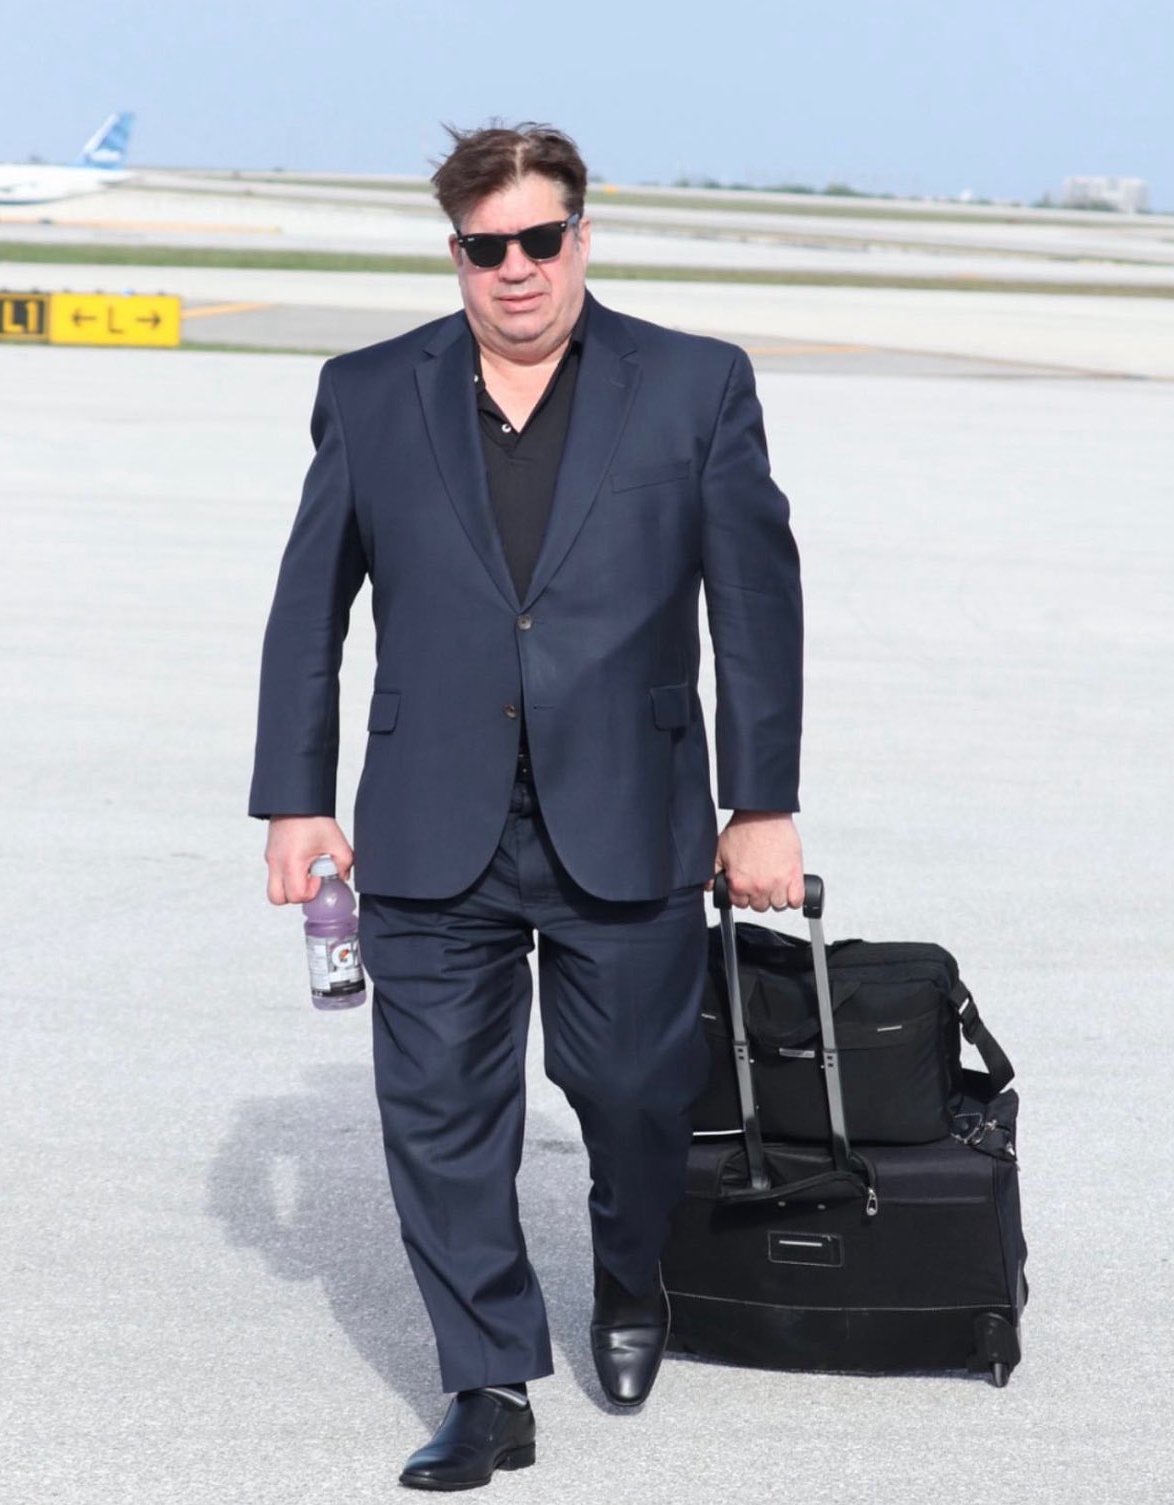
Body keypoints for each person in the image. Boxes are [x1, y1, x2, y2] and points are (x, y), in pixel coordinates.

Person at [249, 122, 804, 1491]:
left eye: (539, 240)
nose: (516, 269)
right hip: (431, 820)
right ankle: (488, 1381)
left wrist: (762, 804)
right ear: (455, 255)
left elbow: (754, 606)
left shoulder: (693, 384)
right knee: (438, 1114)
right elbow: (308, 607)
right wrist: (293, 800)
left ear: (581, 238)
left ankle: (629, 1274)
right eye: (486, 247)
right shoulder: (369, 392)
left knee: (633, 1091)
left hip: (630, 809)